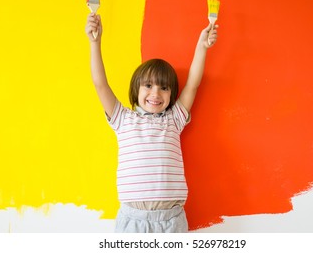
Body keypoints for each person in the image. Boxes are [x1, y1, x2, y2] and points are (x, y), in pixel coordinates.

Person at [85, 12, 218, 233]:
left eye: (163, 88)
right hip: (133, 220)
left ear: (171, 93)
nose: (155, 93)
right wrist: (94, 43)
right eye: (148, 85)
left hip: (171, 220)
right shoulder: (123, 118)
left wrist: (202, 47)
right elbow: (100, 84)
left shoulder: (173, 120)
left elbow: (193, 84)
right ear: (136, 89)